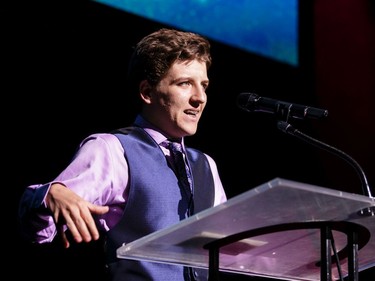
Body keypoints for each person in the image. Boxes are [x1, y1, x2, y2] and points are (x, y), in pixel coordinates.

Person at [18, 28, 227, 281]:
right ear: (147, 92)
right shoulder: (112, 149)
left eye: (203, 85)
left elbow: (228, 251)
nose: (200, 98)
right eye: (185, 83)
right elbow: (40, 231)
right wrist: (47, 195)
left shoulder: (206, 165)